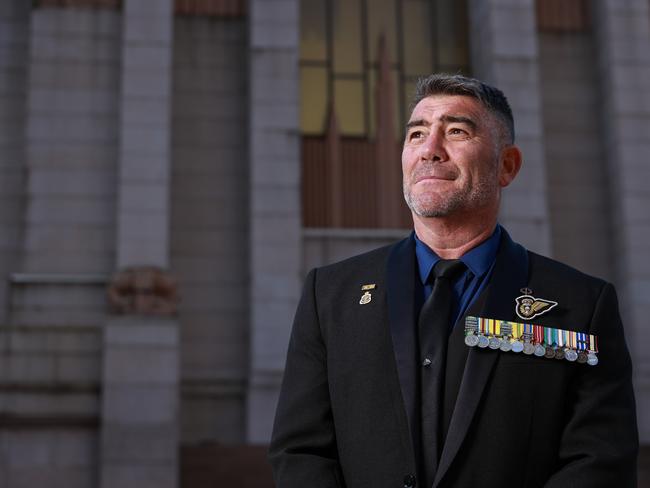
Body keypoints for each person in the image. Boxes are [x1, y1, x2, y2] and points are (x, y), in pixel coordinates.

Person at [268, 74, 638, 488]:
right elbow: (300, 453)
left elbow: (599, 461)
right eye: (417, 134)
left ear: (507, 165)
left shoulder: (581, 305)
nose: (430, 149)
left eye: (456, 131)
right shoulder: (329, 295)